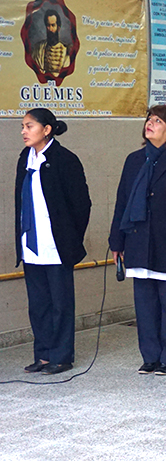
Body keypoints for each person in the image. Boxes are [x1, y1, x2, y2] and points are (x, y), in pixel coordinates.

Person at [109, 105, 166, 376]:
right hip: (138, 240)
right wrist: (117, 241)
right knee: (145, 303)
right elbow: (122, 203)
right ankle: (149, 356)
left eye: (157, 120)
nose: (149, 123)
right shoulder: (134, 160)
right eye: (149, 119)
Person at [15, 108, 90, 375]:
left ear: (47, 129)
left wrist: (71, 239)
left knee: (60, 304)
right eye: (22, 126)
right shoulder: (25, 157)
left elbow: (81, 205)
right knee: (39, 305)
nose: (24, 131)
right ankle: (44, 355)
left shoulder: (65, 159)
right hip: (31, 244)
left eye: (29, 126)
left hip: (55, 246)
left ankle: (62, 356)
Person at [32, 9, 71, 77]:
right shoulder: (38, 48)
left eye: (53, 25)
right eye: (48, 25)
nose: (50, 29)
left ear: (58, 28)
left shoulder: (66, 50)